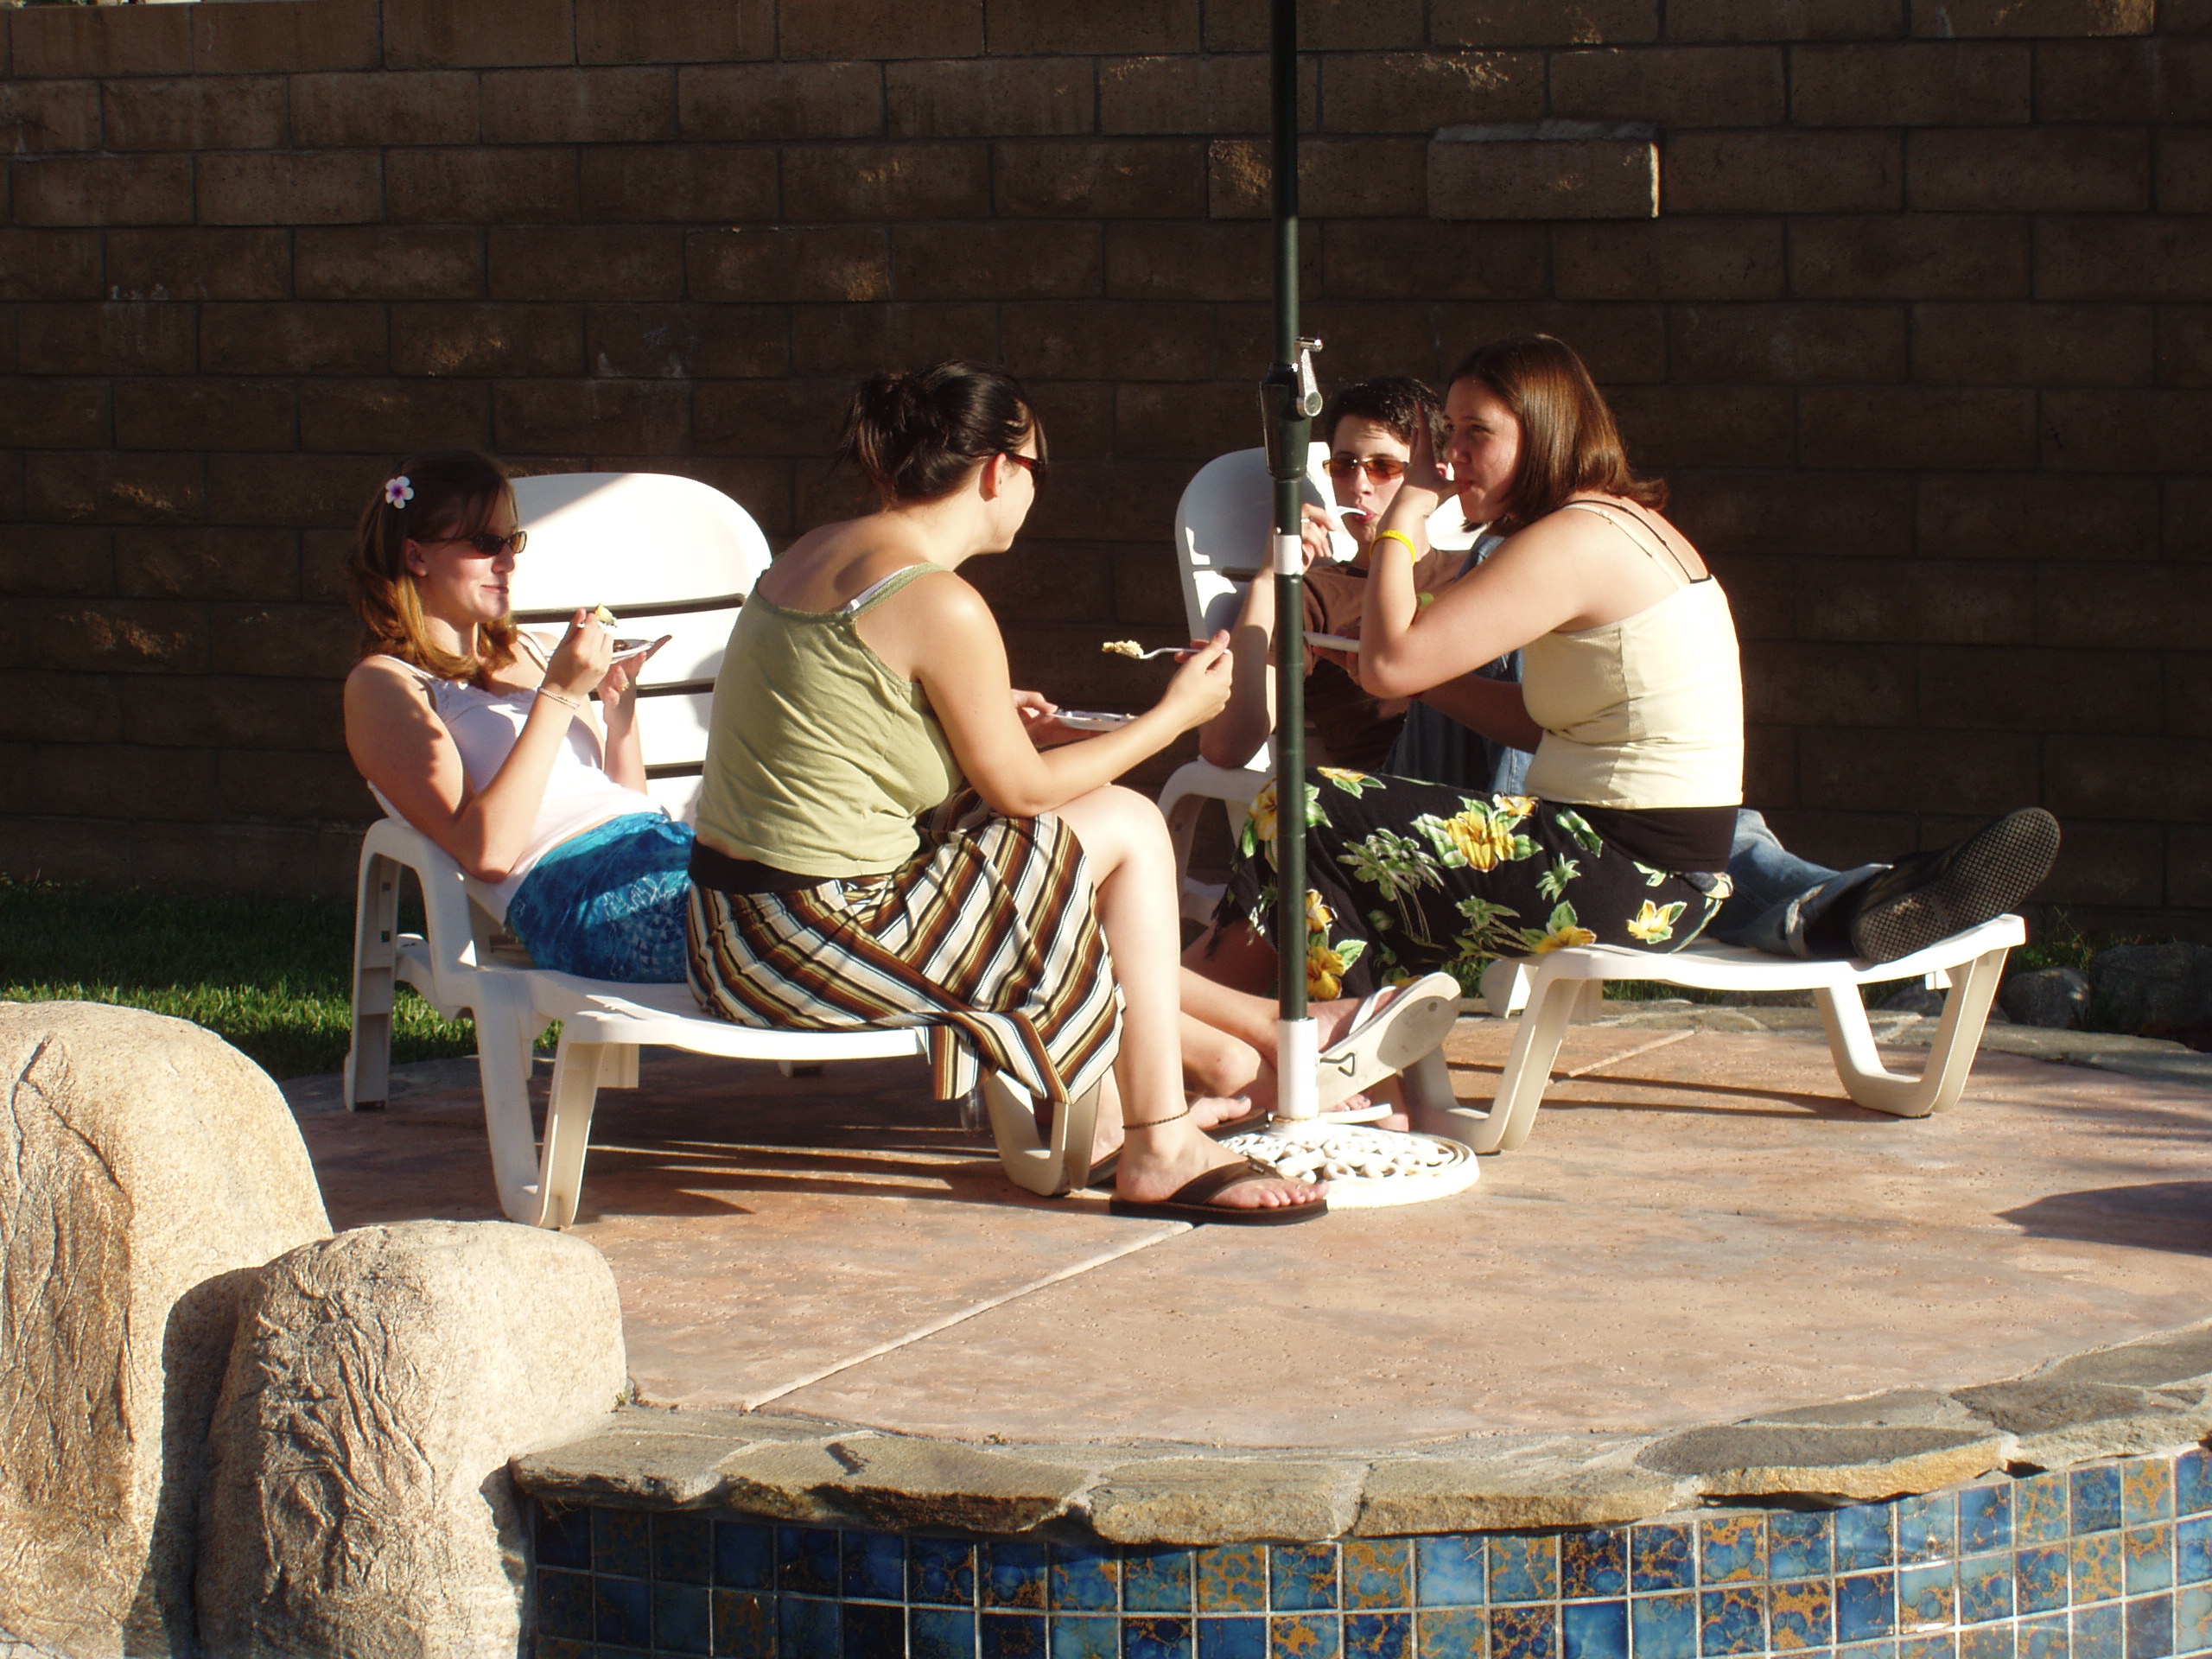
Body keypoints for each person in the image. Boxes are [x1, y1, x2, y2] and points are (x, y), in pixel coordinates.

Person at [681, 362, 1341, 1224]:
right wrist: (1173, 717)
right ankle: (1161, 1141)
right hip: (818, 944)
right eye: (1039, 470)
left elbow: (839, 748)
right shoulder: (938, 602)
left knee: (1058, 839)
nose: (1035, 492)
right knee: (1132, 825)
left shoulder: (812, 553)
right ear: (1001, 470)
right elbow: (1023, 794)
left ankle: (1155, 1093)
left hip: (730, 936)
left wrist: (990, 717)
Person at [342, 448, 693, 983]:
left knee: (800, 886)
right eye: (486, 544)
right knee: (774, 918)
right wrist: (558, 695)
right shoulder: (385, 686)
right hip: (576, 892)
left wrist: (619, 713)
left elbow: (617, 802)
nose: (507, 562)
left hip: (657, 848)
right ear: (416, 555)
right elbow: (486, 853)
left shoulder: (537, 650)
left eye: (513, 542)